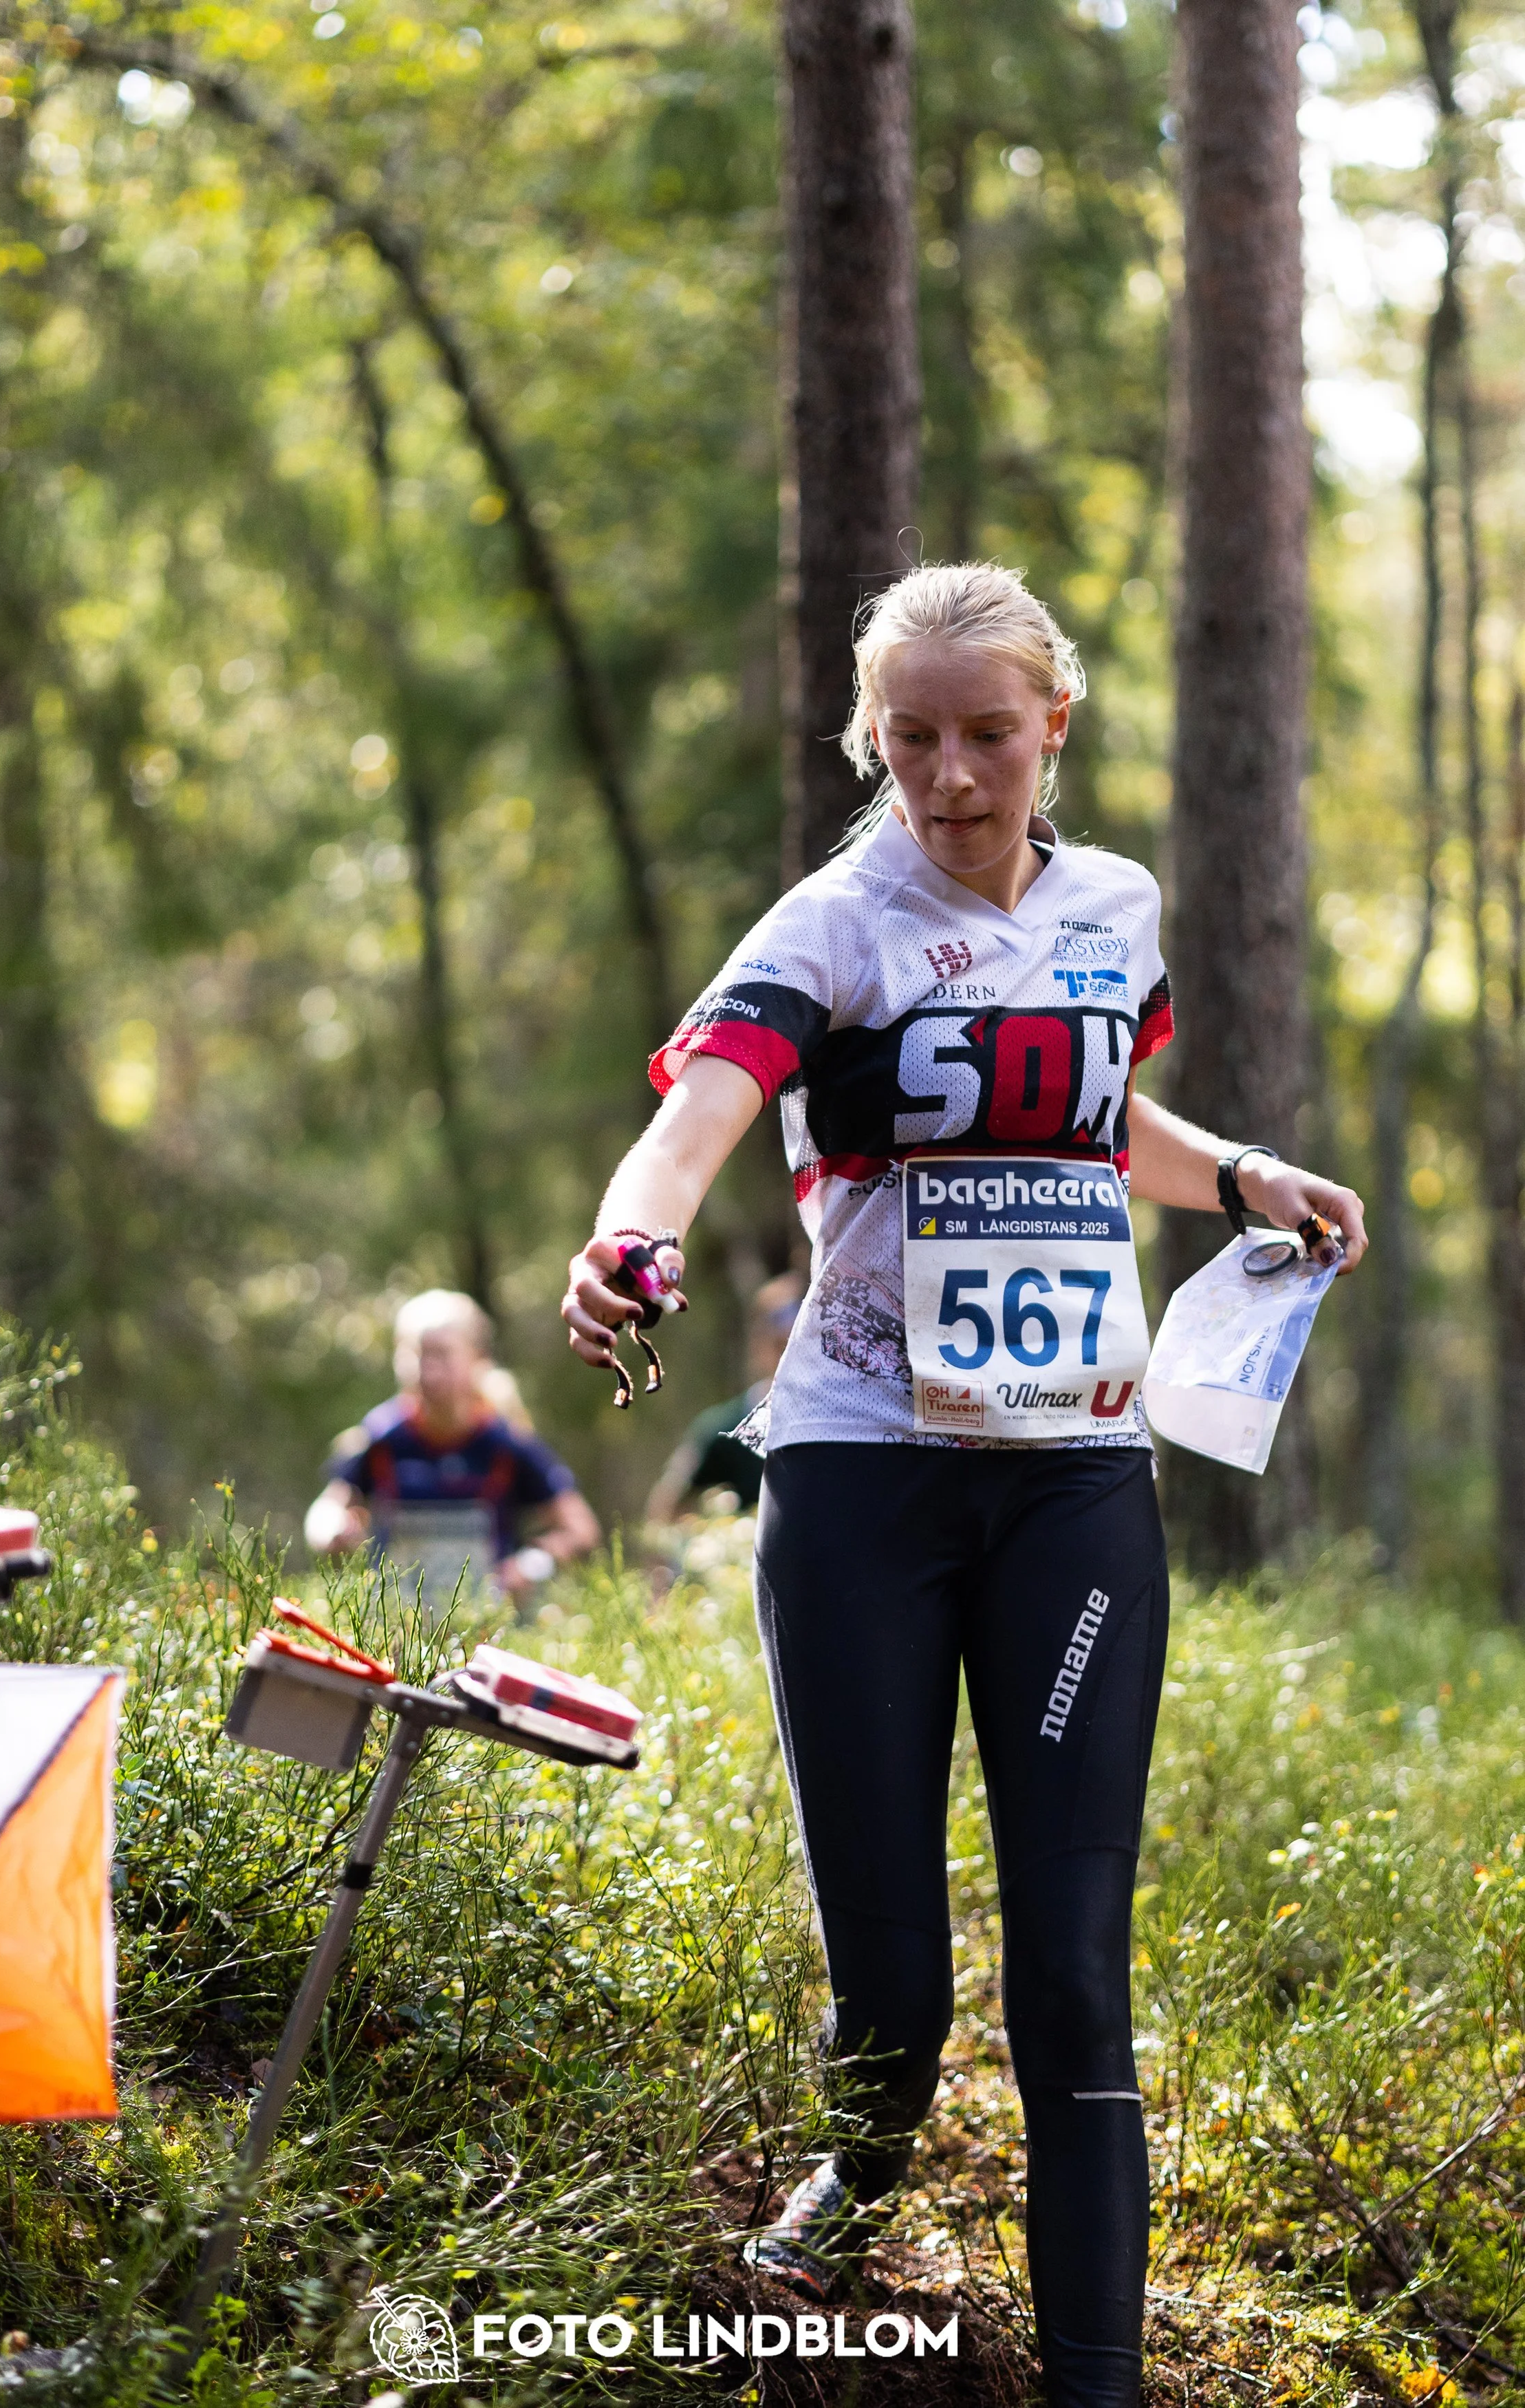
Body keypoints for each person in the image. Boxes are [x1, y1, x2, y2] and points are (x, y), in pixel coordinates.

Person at [561, 562, 1365, 2408]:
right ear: (870, 735)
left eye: (982, 734)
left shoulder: (1113, 907)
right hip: (858, 1487)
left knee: (1075, 1983)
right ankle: (849, 2190)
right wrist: (628, 1235)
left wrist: (1244, 1177)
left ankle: (1096, 2381)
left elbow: (1093, 1112)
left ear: (1050, 727)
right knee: (896, 1991)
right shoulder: (833, 923)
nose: (944, 773)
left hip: (1072, 1483)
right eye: (906, 737)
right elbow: (699, 1109)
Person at [306, 1289, 599, 1604]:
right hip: (395, 1626)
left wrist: (533, 1565)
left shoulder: (507, 1443)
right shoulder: (380, 1436)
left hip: (487, 1624)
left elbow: (582, 1530)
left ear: (478, 1358)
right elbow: (325, 1511)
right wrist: (332, 1529)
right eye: (416, 1354)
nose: (427, 1369)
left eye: (442, 1354)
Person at [645, 1271, 805, 1520]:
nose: (787, 1359)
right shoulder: (723, 1431)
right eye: (780, 1346)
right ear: (757, 1346)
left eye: (798, 1347)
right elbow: (666, 1509)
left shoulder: (848, 1426)